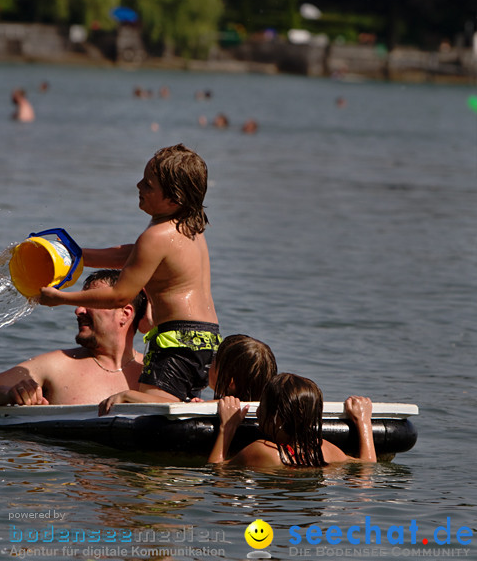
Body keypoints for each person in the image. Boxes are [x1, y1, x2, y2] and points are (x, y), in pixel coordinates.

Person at [40, 144, 220, 408]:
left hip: (177, 336)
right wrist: (78, 256)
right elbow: (131, 256)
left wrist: (61, 298)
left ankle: (131, 398)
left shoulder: (155, 236)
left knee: (153, 404)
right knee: (177, 404)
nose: (138, 186)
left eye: (148, 184)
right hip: (207, 336)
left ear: (173, 199)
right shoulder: (188, 227)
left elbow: (120, 295)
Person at [0, 270, 147, 411]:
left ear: (125, 313)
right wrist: (8, 393)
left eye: (89, 302)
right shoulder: (56, 366)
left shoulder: (152, 370)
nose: (78, 310)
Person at [207, 373, 377, 466]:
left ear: (278, 420)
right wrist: (363, 421)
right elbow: (367, 464)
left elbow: (216, 468)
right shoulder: (324, 449)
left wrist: (227, 426)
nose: (257, 411)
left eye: (263, 406)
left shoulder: (262, 451)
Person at [199, 334, 277, 401]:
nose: (209, 363)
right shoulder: (263, 411)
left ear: (231, 381)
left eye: (214, 359)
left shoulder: (224, 412)